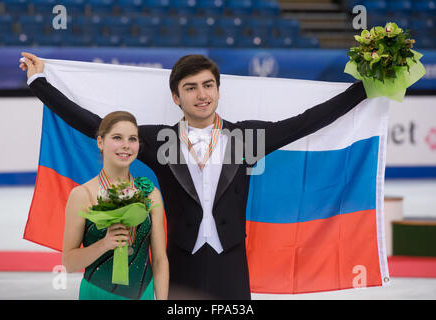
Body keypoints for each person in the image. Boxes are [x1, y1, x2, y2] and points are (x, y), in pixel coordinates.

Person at [20, 52, 367, 299]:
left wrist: (366, 88)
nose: (201, 94)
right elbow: (95, 125)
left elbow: (307, 121)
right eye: (191, 87)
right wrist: (40, 83)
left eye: (208, 85)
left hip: (231, 261)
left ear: (218, 90)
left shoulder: (246, 139)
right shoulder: (157, 139)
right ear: (176, 96)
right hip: (178, 261)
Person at [60, 110, 169, 300]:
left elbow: (159, 260)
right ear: (100, 142)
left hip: (144, 294)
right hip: (97, 294)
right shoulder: (82, 195)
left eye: (132, 139)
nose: (126, 146)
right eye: (117, 138)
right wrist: (104, 245)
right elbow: (69, 264)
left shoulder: (150, 193)